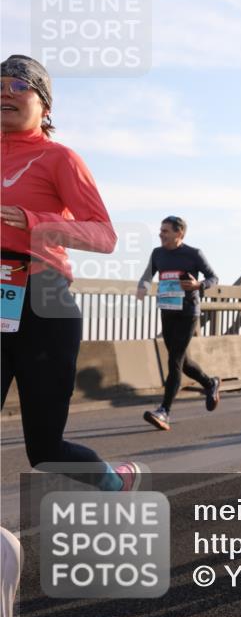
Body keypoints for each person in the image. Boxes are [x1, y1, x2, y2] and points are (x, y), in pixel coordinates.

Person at [1, 55, 141, 491]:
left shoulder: (59, 158)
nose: (6, 92)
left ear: (45, 105)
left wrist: (36, 221)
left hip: (43, 300)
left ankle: (112, 481)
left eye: (19, 86)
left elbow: (104, 236)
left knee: (44, 450)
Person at [137, 216, 221, 431]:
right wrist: (143, 286)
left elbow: (213, 278)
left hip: (187, 313)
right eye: (160, 230)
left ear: (179, 233)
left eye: (165, 231)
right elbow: (148, 273)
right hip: (167, 311)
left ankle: (164, 411)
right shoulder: (158, 253)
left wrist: (198, 284)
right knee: (181, 361)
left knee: (174, 359)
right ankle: (210, 383)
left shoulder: (193, 254)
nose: (160, 234)